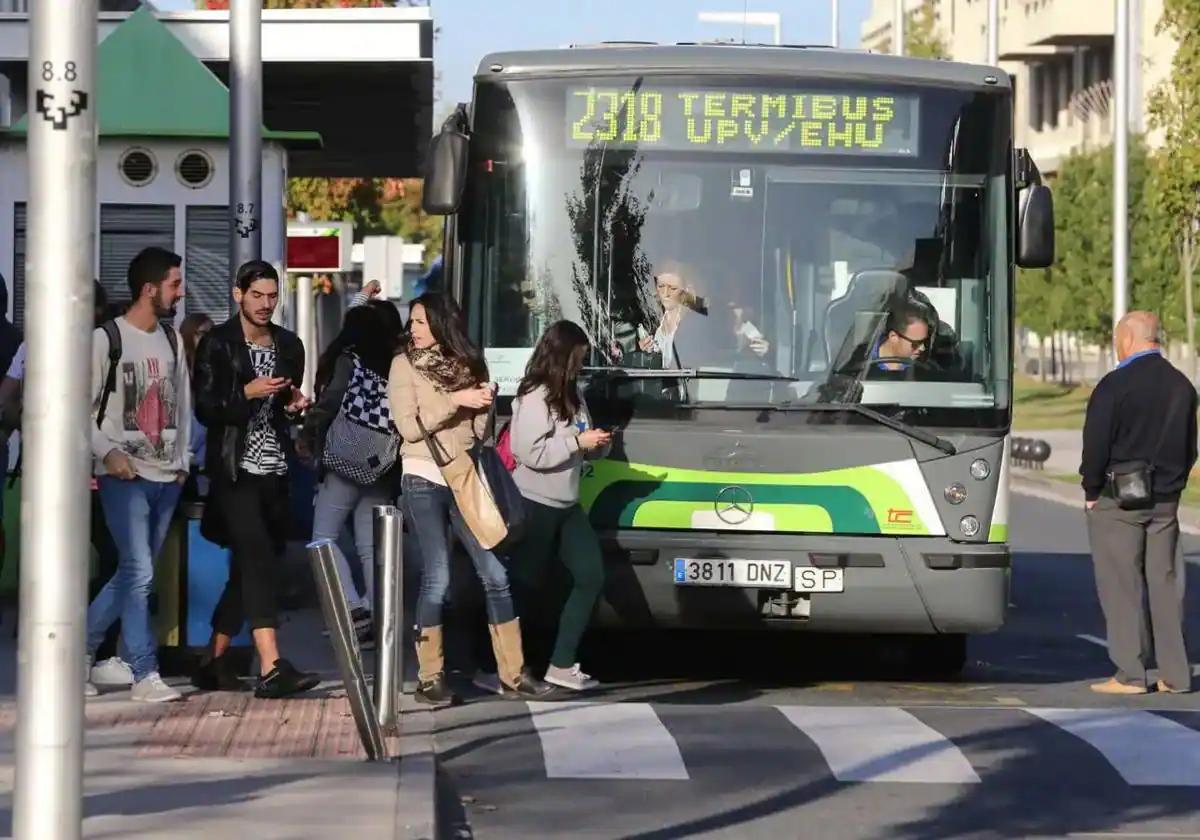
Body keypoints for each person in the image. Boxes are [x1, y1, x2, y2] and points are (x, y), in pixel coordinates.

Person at [389, 292, 551, 706]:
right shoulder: (404, 364)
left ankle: (514, 674)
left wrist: (484, 402)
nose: (414, 330)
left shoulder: (469, 363)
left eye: (422, 322)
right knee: (438, 577)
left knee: (495, 574)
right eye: (413, 322)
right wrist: (454, 401)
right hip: (423, 476)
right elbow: (407, 428)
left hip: (467, 479)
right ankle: (430, 676)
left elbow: (479, 437)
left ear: (443, 324)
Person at [191, 260, 319, 698]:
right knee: (258, 558)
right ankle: (271, 666)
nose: (265, 304)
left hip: (276, 470)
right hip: (235, 470)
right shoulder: (218, 344)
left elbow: (285, 404)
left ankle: (212, 660)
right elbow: (205, 408)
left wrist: (292, 405)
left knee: (250, 568)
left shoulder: (289, 345)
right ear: (238, 294)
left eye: (271, 296)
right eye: (257, 295)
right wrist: (243, 394)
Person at [85, 248, 190, 702]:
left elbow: (181, 403)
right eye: (174, 284)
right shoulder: (105, 339)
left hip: (167, 475)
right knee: (139, 571)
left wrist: (183, 460)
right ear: (150, 289)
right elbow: (77, 409)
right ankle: (144, 672)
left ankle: (77, 655)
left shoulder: (172, 340)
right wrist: (107, 453)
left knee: (131, 576)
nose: (179, 292)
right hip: (123, 476)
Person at [1081, 310, 1195, 695]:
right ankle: (1176, 676)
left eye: (1117, 341)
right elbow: (1189, 447)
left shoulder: (1114, 386)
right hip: (1165, 500)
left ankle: (1131, 674)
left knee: (1121, 585)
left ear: (1128, 340)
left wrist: (1091, 490)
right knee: (1165, 585)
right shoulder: (1183, 387)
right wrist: (1173, 486)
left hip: (1119, 499)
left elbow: (1096, 444)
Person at [508, 321, 612, 691]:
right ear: (561, 355)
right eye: (577, 357)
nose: (580, 365)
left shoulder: (573, 393)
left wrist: (597, 444)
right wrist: (576, 444)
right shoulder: (535, 395)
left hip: (568, 502)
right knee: (525, 585)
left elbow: (581, 435)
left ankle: (561, 664)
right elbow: (528, 452)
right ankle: (505, 665)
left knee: (591, 575)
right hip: (535, 502)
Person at [303, 297, 404, 646]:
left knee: (322, 537)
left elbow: (331, 402)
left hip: (346, 460)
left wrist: (309, 432)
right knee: (370, 547)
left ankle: (351, 606)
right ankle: (380, 620)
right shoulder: (395, 363)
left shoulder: (348, 361)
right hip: (381, 463)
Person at [180, 312, 214, 475]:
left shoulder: (215, 368)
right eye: (203, 334)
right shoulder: (179, 367)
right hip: (182, 454)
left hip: (206, 457)